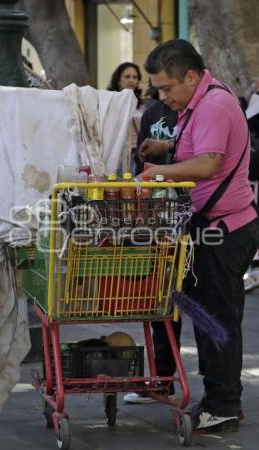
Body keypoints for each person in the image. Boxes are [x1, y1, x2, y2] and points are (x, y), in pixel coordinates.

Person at [136, 39, 259, 432]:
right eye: (158, 89)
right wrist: (166, 146)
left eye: (167, 88)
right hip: (210, 227)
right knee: (206, 315)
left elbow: (207, 163)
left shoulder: (216, 104)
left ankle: (223, 404)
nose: (163, 96)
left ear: (191, 76)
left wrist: (155, 173)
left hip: (226, 230)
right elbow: (201, 145)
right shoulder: (200, 103)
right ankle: (218, 397)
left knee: (217, 318)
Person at [124, 94, 179, 404]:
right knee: (162, 297)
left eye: (167, 84)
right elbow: (140, 161)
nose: (163, 93)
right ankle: (163, 377)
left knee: (203, 304)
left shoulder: (202, 109)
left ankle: (221, 394)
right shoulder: (154, 112)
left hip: (196, 211)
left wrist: (167, 149)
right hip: (158, 214)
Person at [107, 62, 144, 173]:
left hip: (136, 153)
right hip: (115, 153)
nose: (131, 80)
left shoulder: (143, 104)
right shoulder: (109, 101)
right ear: (118, 80)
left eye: (135, 77)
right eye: (127, 77)